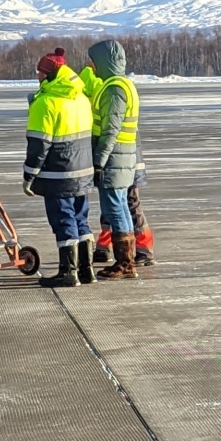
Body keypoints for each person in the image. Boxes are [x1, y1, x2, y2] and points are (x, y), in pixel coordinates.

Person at [22, 52, 95, 287]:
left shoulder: (45, 103)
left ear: (49, 75)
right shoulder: (81, 98)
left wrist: (29, 176)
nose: (38, 77)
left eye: (40, 73)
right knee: (81, 219)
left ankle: (68, 273)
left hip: (58, 175)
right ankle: (87, 270)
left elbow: (38, 146)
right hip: (83, 171)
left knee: (63, 220)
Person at [87, 39, 141, 280]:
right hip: (123, 156)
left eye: (94, 62)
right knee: (121, 207)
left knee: (116, 208)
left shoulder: (114, 89)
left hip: (114, 158)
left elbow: (110, 130)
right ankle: (126, 260)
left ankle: (125, 263)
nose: (92, 66)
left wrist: (99, 161)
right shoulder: (124, 84)